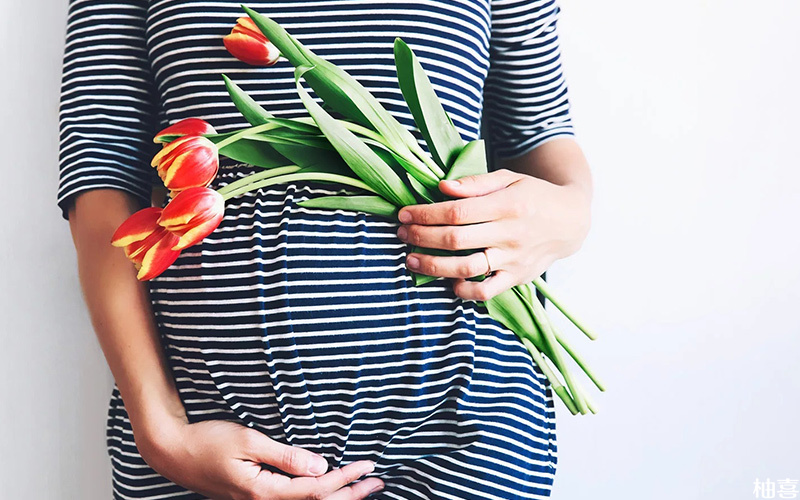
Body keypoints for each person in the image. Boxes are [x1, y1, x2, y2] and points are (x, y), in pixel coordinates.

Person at [59, 0, 592, 498]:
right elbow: (99, 170)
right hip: (200, 428)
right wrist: (160, 428)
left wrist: (570, 216)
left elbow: (541, 132)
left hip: (465, 421)